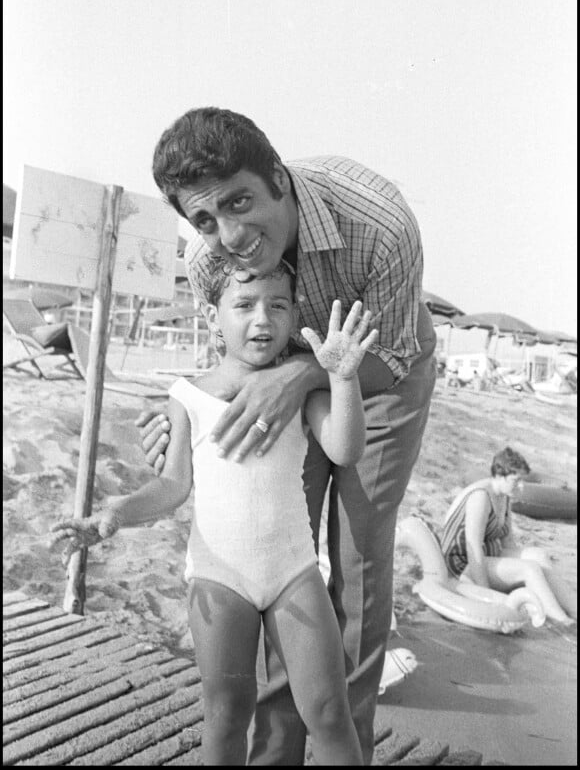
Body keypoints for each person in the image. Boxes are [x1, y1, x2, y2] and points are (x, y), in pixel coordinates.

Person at [136, 106, 437, 764]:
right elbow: (225, 368)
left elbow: (394, 357)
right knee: (273, 551)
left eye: (242, 201)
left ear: (278, 176)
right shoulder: (203, 252)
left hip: (380, 376)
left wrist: (306, 377)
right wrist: (182, 426)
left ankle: (342, 741)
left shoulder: (380, 223)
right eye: (207, 218)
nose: (232, 235)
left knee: (354, 560)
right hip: (275, 387)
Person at [53, 261, 377, 765]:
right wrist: (116, 511)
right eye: (244, 306)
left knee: (329, 711)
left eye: (278, 305)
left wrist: (343, 379)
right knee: (227, 713)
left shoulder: (300, 393)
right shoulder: (187, 396)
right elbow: (172, 484)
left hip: (294, 571)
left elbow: (346, 449)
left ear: (294, 316)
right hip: (219, 577)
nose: (262, 319)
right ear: (212, 316)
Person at [440, 446, 576, 625]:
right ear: (499, 475)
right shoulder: (481, 497)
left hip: (488, 556)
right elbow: (473, 548)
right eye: (516, 480)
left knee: (537, 556)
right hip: (462, 565)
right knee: (530, 569)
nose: (521, 486)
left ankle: (574, 608)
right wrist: (484, 592)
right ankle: (562, 621)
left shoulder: (503, 495)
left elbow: (508, 542)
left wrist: (517, 571)